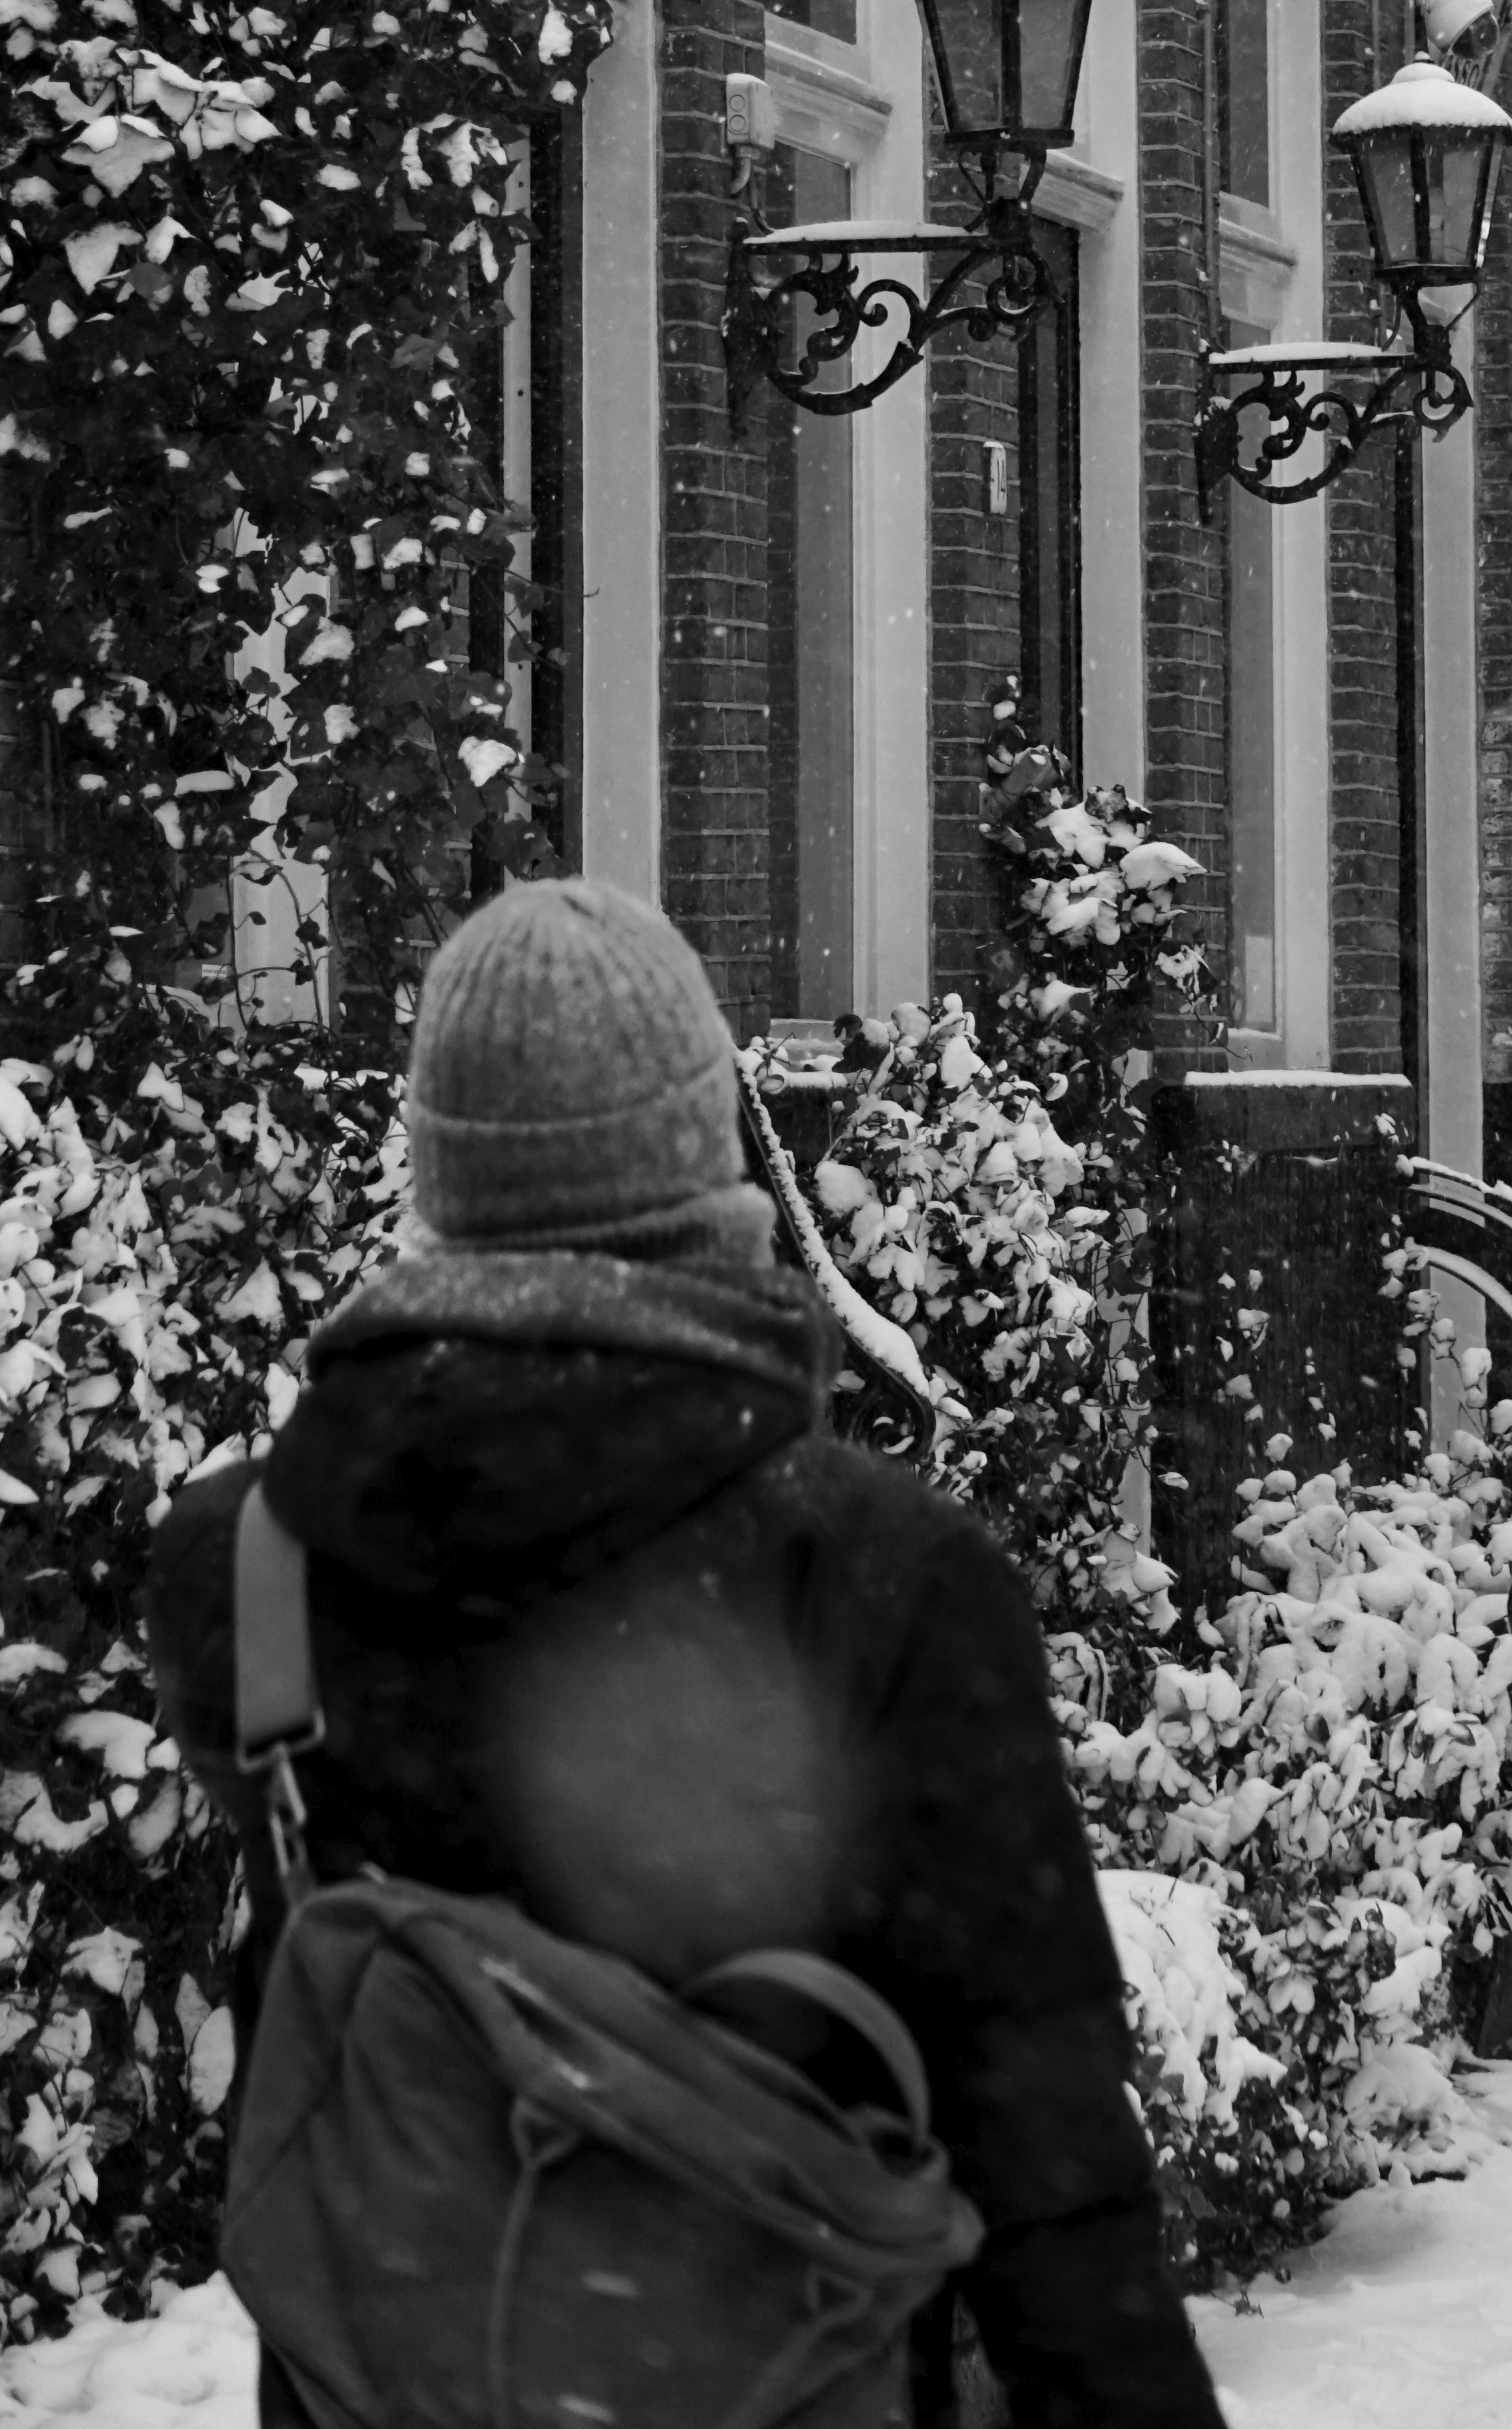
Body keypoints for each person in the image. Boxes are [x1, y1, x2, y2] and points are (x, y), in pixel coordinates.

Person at [147, 878, 1222, 2429]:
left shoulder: (244, 1571)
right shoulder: (886, 1581)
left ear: (438, 1170)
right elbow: (1042, 2153)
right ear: (709, 1156)